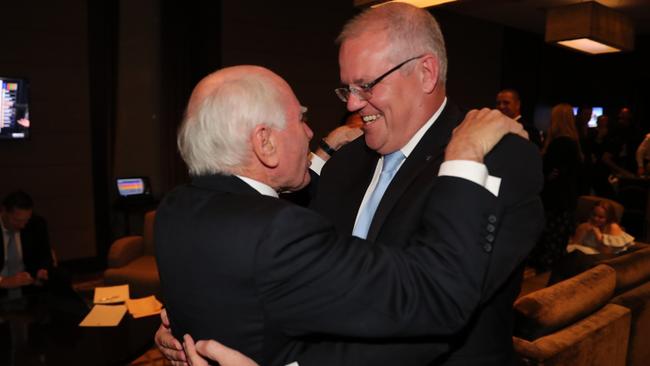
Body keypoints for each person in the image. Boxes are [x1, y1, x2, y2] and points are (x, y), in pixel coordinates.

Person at [157, 3, 544, 365]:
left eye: (367, 85)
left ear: (426, 72)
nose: (354, 104)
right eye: (348, 88)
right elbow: (273, 269)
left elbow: (438, 316)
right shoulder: (345, 162)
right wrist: (200, 320)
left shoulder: (493, 159)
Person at [528, 103, 583, 272]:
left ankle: (544, 274)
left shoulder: (560, 143)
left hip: (555, 200)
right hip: (565, 199)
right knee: (558, 239)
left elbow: (552, 170)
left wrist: (546, 176)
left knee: (549, 239)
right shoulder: (573, 142)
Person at [0, 191, 53, 299]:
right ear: (4, 211)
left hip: (28, 285)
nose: (22, 226)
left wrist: (41, 270)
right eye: (17, 220)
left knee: (61, 277)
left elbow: (46, 255)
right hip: (1, 287)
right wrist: (4, 281)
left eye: (26, 220)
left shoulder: (36, 223)